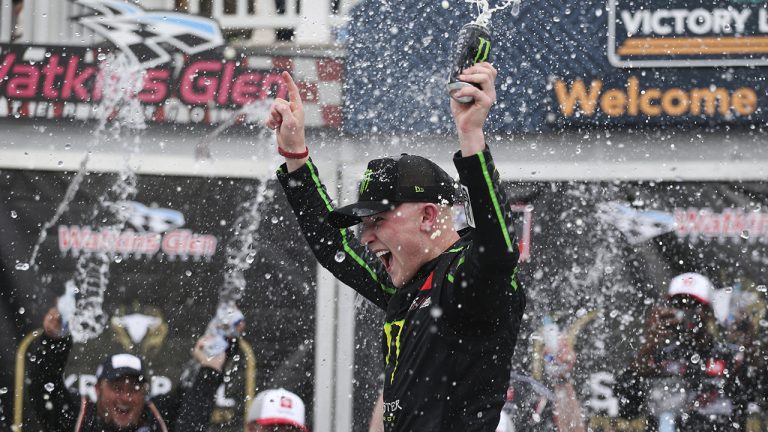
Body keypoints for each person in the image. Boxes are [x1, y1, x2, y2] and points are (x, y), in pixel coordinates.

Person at [267, 62, 525, 431]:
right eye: (364, 223)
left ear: (427, 216)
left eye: (377, 220)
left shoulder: (466, 280)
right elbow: (333, 245)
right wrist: (295, 157)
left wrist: (471, 135)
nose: (366, 237)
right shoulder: (405, 286)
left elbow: (497, 249)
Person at [28, 305, 226, 432]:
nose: (125, 398)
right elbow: (44, 386)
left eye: (134, 389)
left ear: (146, 393)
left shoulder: (159, 415)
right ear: (97, 389)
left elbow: (194, 413)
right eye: (117, 387)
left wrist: (211, 367)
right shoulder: (77, 415)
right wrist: (54, 341)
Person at [614, 272, 752, 431]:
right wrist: (648, 345)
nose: (686, 312)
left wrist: (751, 351)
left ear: (708, 311)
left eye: (693, 305)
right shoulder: (657, 355)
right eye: (678, 305)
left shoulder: (730, 356)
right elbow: (627, 410)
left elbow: (754, 402)